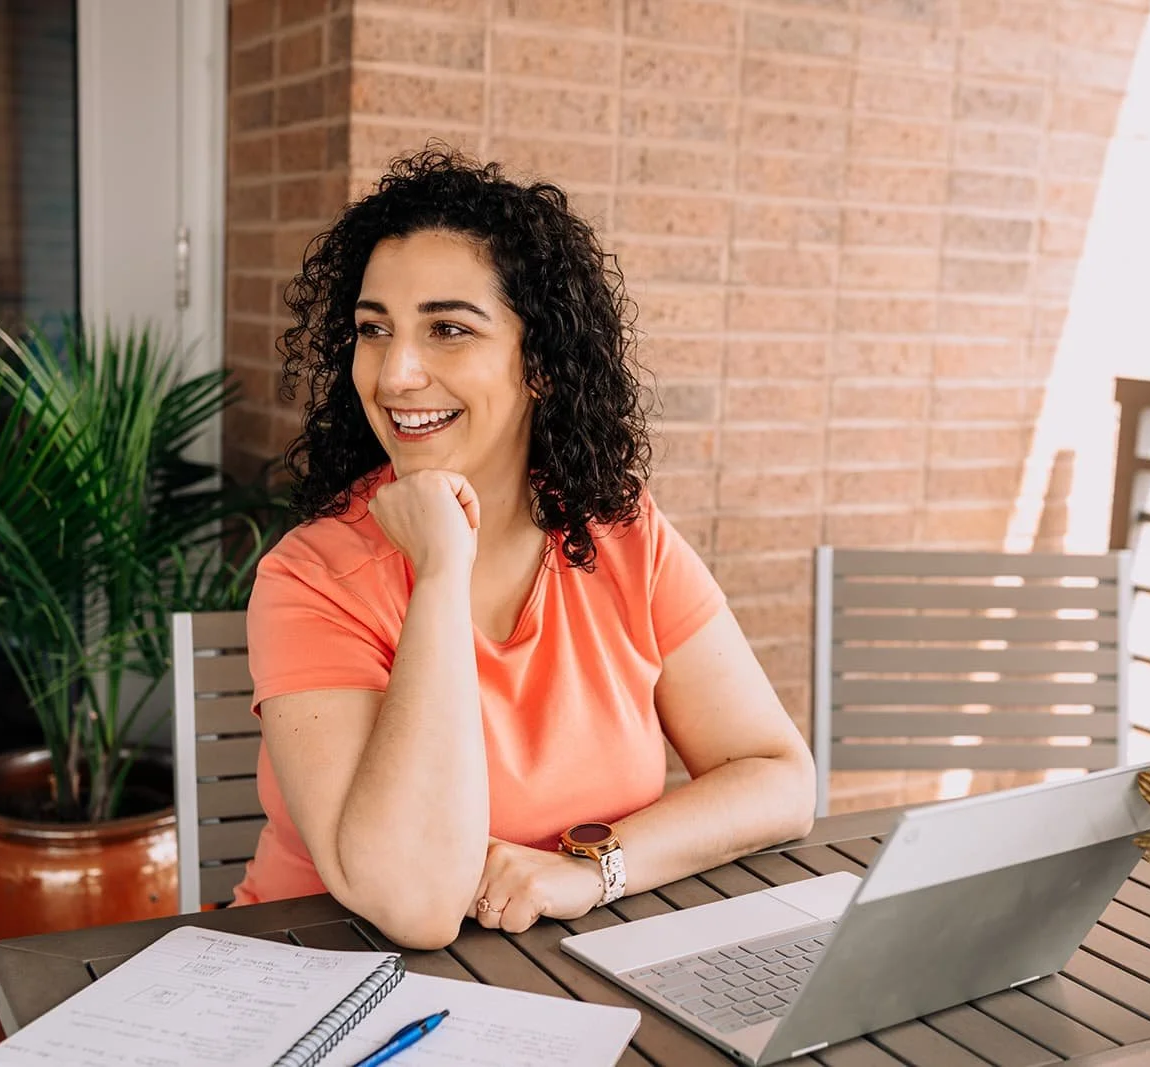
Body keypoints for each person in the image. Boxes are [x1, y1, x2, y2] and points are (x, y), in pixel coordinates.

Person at [237, 147, 817, 949]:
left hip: (555, 977)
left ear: (538, 362)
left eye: (447, 329)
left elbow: (779, 777)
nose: (396, 372)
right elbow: (416, 904)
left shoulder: (621, 535)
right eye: (375, 330)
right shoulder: (312, 578)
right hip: (323, 988)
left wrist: (593, 868)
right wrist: (440, 571)